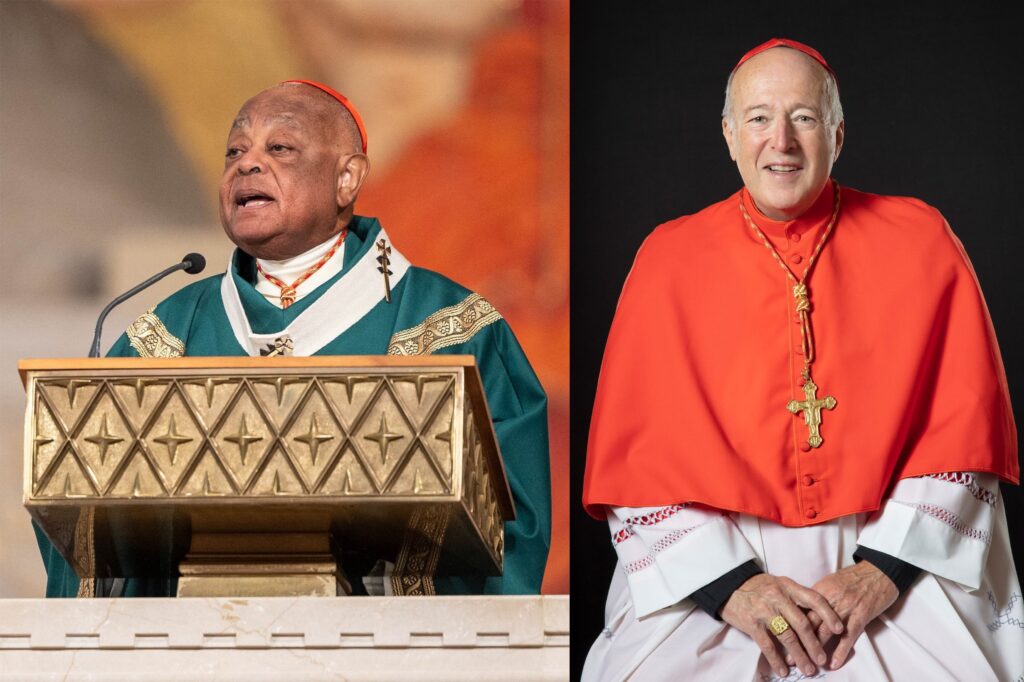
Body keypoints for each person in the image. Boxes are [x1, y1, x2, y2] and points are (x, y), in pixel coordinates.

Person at [582, 39, 1022, 680]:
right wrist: (730, 587)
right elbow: (637, 461)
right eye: (759, 118)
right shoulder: (667, 260)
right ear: (730, 135)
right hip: (715, 556)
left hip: (894, 545)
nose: (780, 140)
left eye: (804, 117)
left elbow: (963, 434)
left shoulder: (922, 241)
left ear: (838, 134)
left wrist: (881, 572)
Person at [33, 80, 551, 599]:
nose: (246, 164)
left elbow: (508, 530)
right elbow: (81, 520)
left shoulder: (449, 328)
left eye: (279, 148)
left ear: (347, 178)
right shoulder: (165, 335)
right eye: (235, 151)